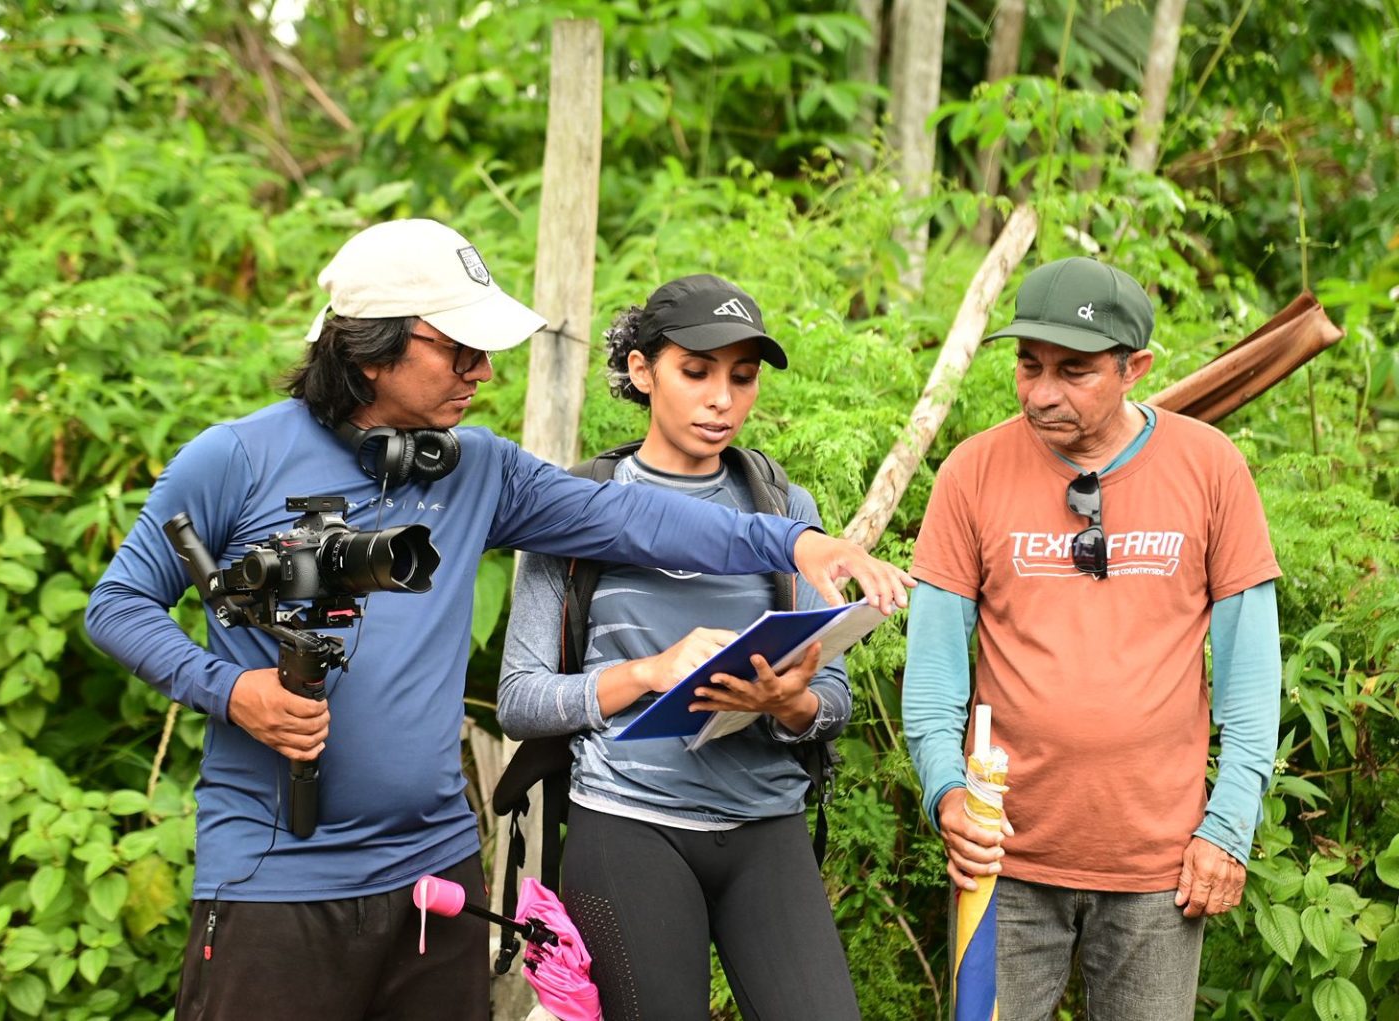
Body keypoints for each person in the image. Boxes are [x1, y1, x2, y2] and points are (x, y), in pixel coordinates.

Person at [84, 221, 911, 1021]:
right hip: (276, 884)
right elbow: (118, 604)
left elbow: (640, 522)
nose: (481, 372)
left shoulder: (479, 468)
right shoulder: (235, 457)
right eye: (459, 350)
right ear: (371, 351)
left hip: (434, 878)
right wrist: (231, 690)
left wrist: (795, 538)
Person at [902, 256, 1283, 1020]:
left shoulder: (1210, 469)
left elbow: (1250, 675)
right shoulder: (972, 472)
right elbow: (934, 669)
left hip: (1158, 867)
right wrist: (946, 789)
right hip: (1002, 862)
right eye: (1028, 363)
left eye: (1073, 370)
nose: (1042, 392)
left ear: (1133, 367)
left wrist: (1229, 825)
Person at [497, 274, 878, 1021]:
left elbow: (833, 697)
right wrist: (647, 673)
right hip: (627, 824)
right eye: (696, 372)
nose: (722, 399)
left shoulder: (781, 508)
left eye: (743, 377)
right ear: (642, 371)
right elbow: (520, 699)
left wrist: (789, 701)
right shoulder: (573, 508)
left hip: (765, 822)